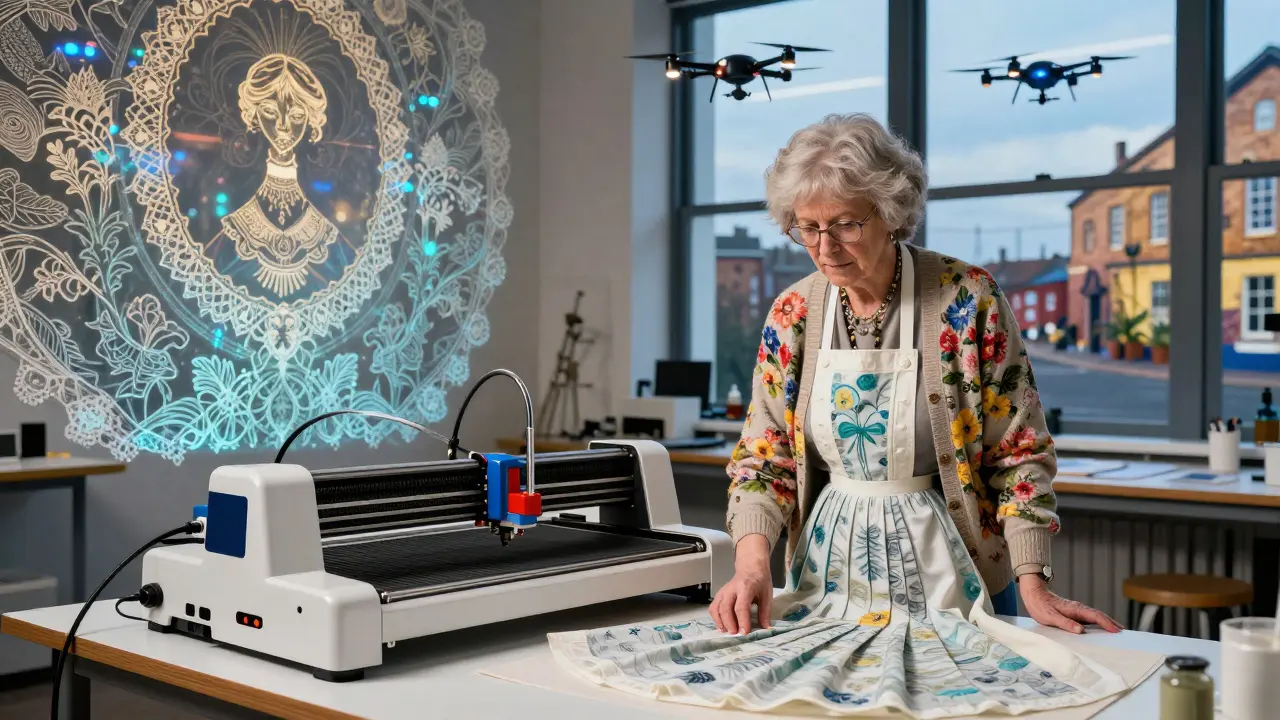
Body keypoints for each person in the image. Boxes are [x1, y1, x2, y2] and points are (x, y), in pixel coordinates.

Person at [548, 114, 1133, 716]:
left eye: (846, 224)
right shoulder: (794, 312)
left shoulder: (968, 298)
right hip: (829, 579)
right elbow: (763, 460)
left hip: (958, 577)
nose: (825, 247)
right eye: (807, 228)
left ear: (893, 211)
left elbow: (1018, 452)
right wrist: (751, 568)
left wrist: (1031, 577)